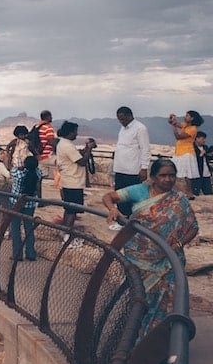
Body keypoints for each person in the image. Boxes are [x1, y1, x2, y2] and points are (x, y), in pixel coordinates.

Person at [101, 159, 199, 339]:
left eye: (172, 175)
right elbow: (108, 197)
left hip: (168, 262)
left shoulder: (179, 199)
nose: (168, 180)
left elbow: (192, 227)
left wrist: (178, 244)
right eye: (163, 175)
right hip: (139, 258)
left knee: (168, 302)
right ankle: (134, 341)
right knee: (141, 299)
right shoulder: (139, 191)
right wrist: (112, 209)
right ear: (153, 177)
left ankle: (160, 344)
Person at [55, 121, 95, 248]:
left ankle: (64, 233)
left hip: (68, 181)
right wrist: (89, 149)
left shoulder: (64, 143)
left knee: (68, 209)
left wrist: (85, 149)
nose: (77, 134)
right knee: (72, 211)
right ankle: (67, 239)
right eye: (75, 132)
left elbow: (76, 156)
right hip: (74, 182)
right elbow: (82, 162)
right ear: (70, 132)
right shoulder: (67, 145)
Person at [112, 106, 151, 224]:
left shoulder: (140, 128)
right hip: (120, 169)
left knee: (131, 197)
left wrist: (144, 168)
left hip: (132, 170)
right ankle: (121, 221)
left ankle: (132, 222)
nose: (121, 121)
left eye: (123, 119)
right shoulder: (123, 129)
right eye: (119, 119)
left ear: (130, 116)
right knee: (119, 196)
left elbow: (145, 149)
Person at [8, 155, 42, 261]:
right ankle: (30, 253)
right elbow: (38, 186)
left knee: (15, 229)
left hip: (16, 202)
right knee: (29, 228)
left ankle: (17, 254)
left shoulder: (17, 173)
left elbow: (11, 167)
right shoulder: (38, 173)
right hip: (30, 204)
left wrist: (19, 167)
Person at [169, 110, 204, 199]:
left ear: (192, 118)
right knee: (181, 174)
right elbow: (175, 123)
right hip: (180, 152)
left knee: (187, 175)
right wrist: (172, 119)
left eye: (187, 115)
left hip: (187, 152)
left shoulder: (193, 129)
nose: (185, 117)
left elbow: (178, 136)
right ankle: (185, 193)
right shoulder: (186, 126)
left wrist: (173, 125)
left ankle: (189, 193)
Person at [35, 110, 57, 204]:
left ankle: (39, 200)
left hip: (39, 155)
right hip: (47, 156)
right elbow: (51, 141)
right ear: (47, 117)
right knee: (64, 168)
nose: (52, 118)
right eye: (51, 116)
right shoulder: (48, 127)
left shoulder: (37, 126)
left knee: (39, 179)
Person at [193, 131, 212, 195]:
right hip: (197, 174)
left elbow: (208, 157)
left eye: (204, 139)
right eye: (202, 139)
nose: (204, 140)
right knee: (195, 193)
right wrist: (200, 155)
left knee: (208, 192)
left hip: (206, 173)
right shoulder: (192, 148)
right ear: (197, 139)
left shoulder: (206, 147)